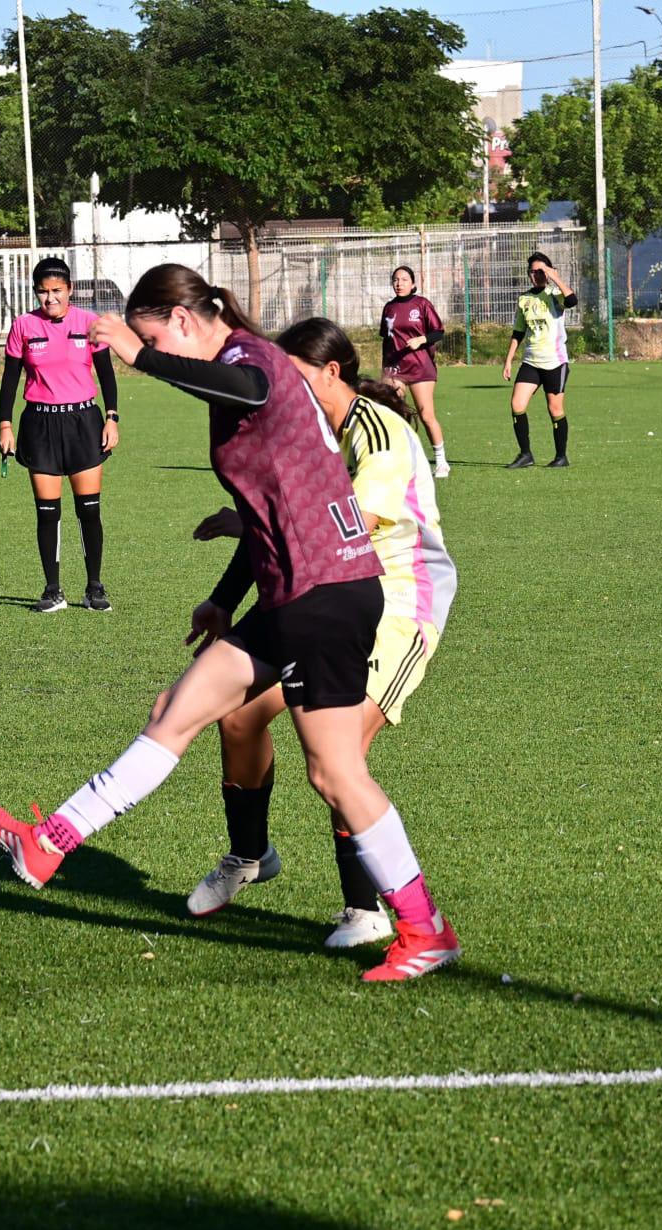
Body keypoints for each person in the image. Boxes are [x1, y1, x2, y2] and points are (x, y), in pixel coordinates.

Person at [0, 264, 460, 983]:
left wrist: (142, 357)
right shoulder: (237, 362)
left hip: (327, 594)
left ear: (181, 323)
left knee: (336, 772)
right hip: (296, 588)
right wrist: (224, 597)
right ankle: (50, 842)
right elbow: (276, 510)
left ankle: (424, 928)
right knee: (176, 710)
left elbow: (255, 388)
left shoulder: (246, 358)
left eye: (150, 337)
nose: (142, 354)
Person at [187, 317, 457, 950]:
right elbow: (293, 532)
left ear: (331, 372)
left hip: (396, 600)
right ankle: (250, 855)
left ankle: (367, 911)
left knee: (338, 758)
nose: (282, 387)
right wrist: (223, 599)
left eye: (295, 375)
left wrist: (247, 521)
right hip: (325, 590)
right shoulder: (312, 432)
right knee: (241, 718)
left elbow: (335, 523)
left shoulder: (379, 431)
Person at [0, 256, 120, 613]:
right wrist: (5, 424)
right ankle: (53, 591)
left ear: (69, 290)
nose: (49, 298)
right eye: (42, 292)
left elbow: (107, 374)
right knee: (47, 512)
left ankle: (94, 587)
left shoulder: (89, 323)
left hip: (83, 422)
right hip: (40, 424)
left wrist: (111, 418)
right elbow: (9, 379)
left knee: (89, 510)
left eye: (56, 291)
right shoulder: (23, 325)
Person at [503, 252, 578, 469]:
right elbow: (518, 332)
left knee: (555, 409)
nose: (536, 275)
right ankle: (525, 454)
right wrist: (508, 360)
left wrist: (555, 277)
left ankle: (561, 456)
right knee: (517, 404)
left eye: (540, 271)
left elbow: (572, 300)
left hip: (555, 362)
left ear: (548, 271)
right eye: (532, 272)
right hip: (531, 361)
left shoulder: (555, 294)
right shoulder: (524, 299)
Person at [379, 266, 448, 477]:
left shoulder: (422, 304)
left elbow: (439, 332)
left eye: (404, 279)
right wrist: (384, 369)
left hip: (420, 367)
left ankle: (441, 461)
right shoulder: (389, 308)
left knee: (426, 415)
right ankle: (399, 460)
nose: (399, 283)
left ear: (413, 283)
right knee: (392, 415)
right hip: (395, 368)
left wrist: (422, 339)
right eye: (396, 280)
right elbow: (386, 340)